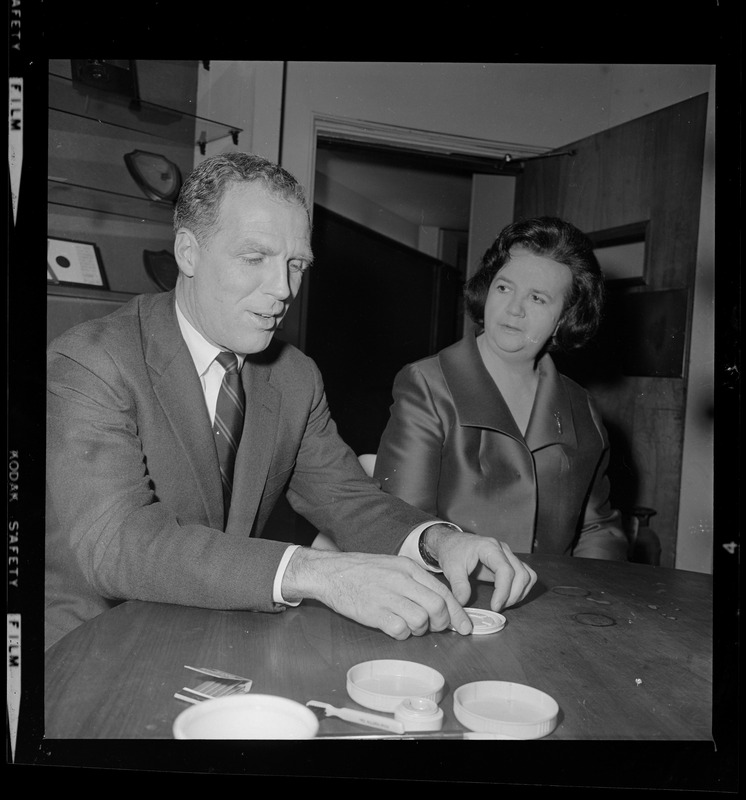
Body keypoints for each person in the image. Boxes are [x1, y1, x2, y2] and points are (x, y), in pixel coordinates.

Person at [45, 152, 536, 651]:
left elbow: (347, 498)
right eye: (255, 258)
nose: (282, 289)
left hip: (210, 634)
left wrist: (439, 540)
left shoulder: (295, 377)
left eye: (295, 264)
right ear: (188, 252)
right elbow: (115, 542)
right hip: (90, 647)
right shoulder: (90, 361)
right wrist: (313, 570)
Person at [374, 216, 629, 561]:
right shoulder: (428, 384)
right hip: (451, 599)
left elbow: (597, 529)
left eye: (537, 298)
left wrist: (583, 601)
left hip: (554, 603)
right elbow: (401, 526)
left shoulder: (582, 408)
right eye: (504, 287)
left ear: (565, 319)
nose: (514, 309)